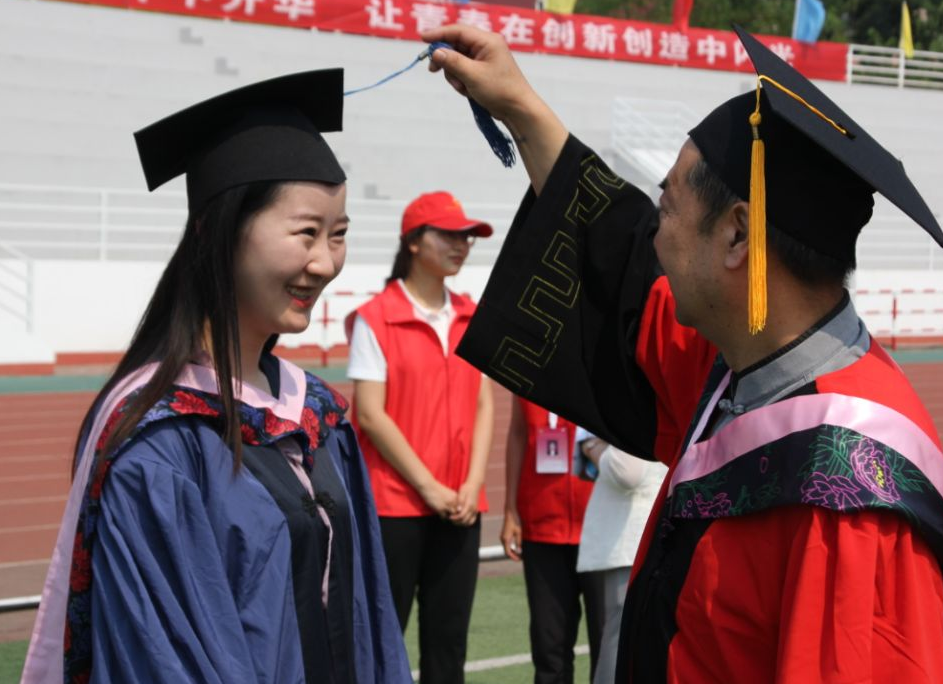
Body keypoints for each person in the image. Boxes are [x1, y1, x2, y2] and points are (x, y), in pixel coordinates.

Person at [422, 23, 943, 683]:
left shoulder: (847, 491)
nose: (656, 235)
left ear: (737, 236)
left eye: (667, 207)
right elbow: (622, 262)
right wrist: (520, 107)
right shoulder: (741, 368)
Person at [20, 70, 411, 684]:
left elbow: (371, 620)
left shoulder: (318, 417)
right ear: (217, 230)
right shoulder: (157, 443)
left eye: (338, 236)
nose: (325, 262)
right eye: (306, 232)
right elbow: (161, 659)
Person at [345, 191, 494, 684]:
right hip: (394, 506)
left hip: (461, 505)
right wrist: (429, 487)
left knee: (448, 644)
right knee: (382, 637)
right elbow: (370, 414)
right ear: (412, 242)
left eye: (467, 236)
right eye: (449, 234)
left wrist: (472, 485)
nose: (462, 245)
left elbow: (482, 403)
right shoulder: (376, 318)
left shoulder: (474, 315)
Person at [500, 398, 600, 684]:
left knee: (608, 646)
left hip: (601, 528)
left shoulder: (608, 359)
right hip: (543, 527)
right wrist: (510, 509)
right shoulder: (527, 363)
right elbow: (518, 432)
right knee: (549, 650)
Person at [573, 428, 665, 684]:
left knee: (621, 645)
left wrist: (591, 445)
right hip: (651, 534)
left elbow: (627, 471)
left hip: (633, 538)